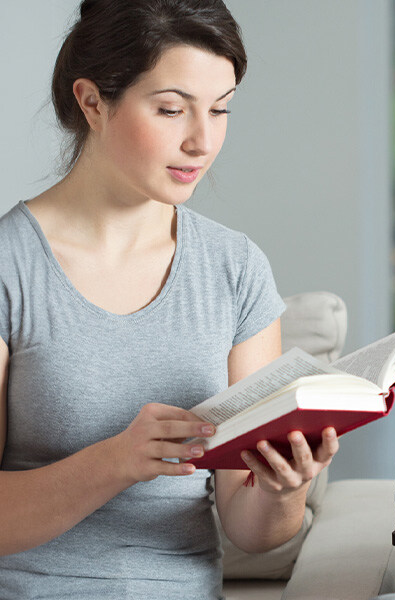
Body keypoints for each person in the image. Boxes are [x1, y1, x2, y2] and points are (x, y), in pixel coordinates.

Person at [0, 1, 338, 597]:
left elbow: (252, 531)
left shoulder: (235, 270)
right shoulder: (11, 267)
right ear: (92, 102)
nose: (202, 141)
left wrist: (284, 490)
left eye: (221, 109)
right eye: (171, 109)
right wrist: (116, 461)